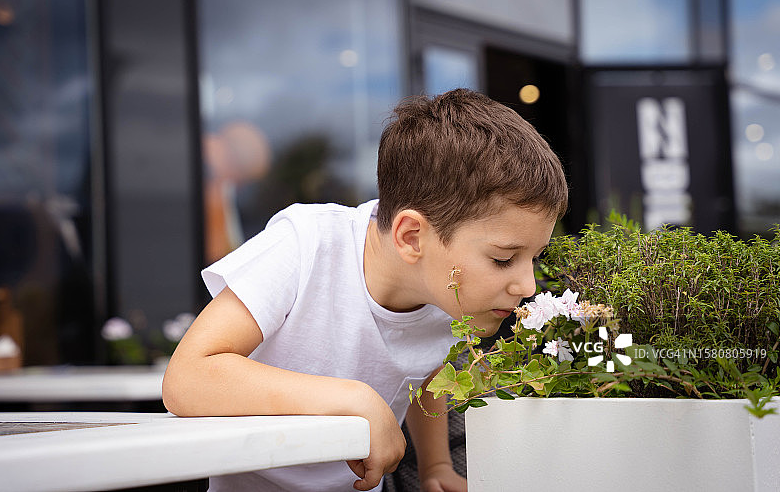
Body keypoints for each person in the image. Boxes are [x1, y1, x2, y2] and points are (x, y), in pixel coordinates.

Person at [162, 88, 568, 492]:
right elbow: (186, 378)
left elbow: (427, 375)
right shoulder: (307, 244)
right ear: (411, 238)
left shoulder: (446, 293)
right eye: (503, 258)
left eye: (534, 258)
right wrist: (351, 398)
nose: (527, 285)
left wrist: (436, 466)